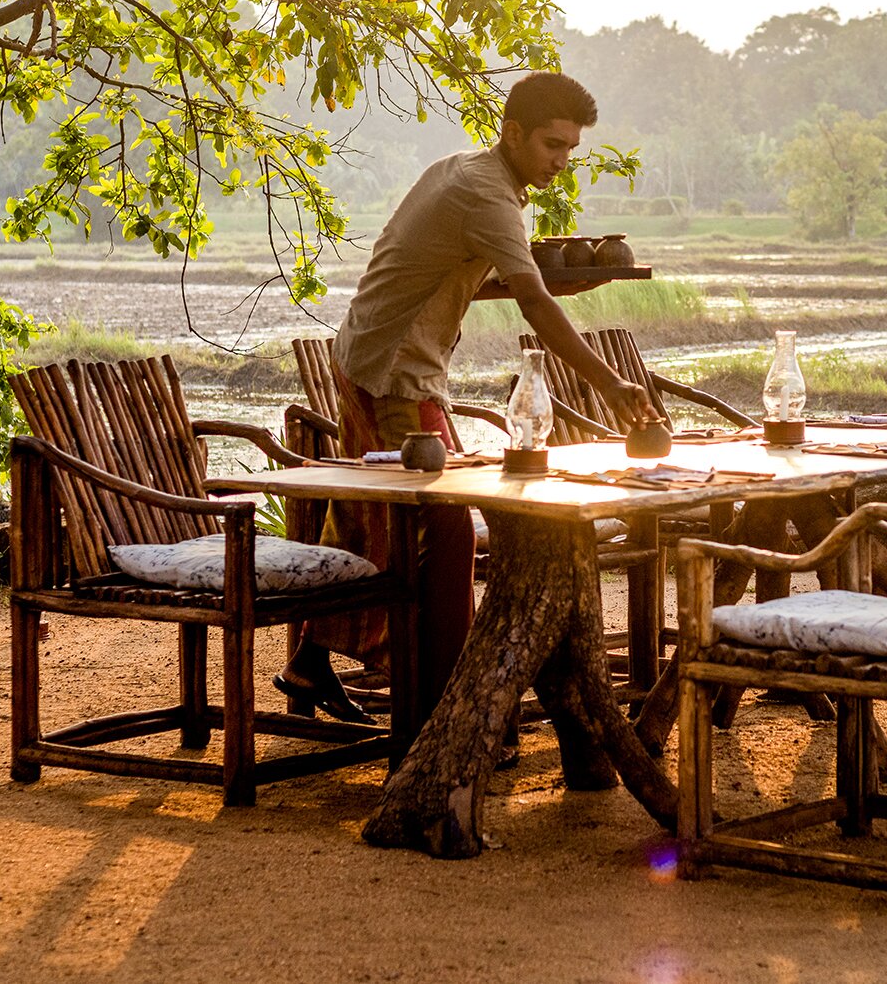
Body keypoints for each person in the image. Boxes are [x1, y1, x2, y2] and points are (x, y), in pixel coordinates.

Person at [276, 71, 661, 737]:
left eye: (570, 149)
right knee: (439, 529)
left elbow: (448, 275)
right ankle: (443, 712)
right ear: (513, 133)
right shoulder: (487, 195)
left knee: (373, 520)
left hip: (373, 355)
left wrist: (544, 286)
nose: (560, 162)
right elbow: (533, 302)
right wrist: (610, 384)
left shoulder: (466, 170)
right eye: (551, 145)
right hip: (394, 371)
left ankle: (313, 661)